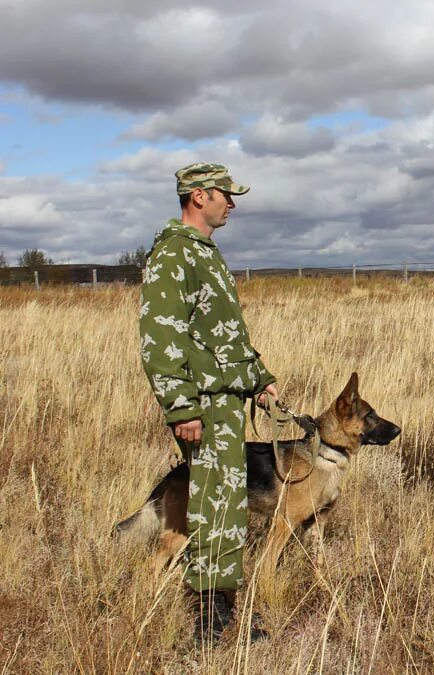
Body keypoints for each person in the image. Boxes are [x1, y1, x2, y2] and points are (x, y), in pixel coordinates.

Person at [139, 163, 278, 642]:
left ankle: (220, 604)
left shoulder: (205, 253)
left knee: (225, 501)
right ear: (198, 196)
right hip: (203, 403)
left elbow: (224, 333)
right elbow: (161, 338)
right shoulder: (173, 255)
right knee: (214, 502)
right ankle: (208, 617)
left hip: (225, 400)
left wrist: (259, 380)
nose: (232, 204)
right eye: (225, 195)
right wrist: (182, 408)